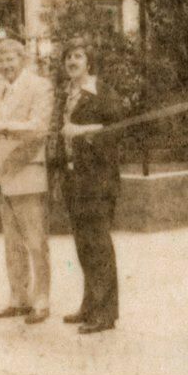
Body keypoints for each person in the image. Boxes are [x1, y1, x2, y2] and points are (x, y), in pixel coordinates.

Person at [48, 38, 124, 334]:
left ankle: (105, 313)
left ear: (88, 61)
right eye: (68, 57)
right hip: (73, 178)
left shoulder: (101, 91)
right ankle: (90, 304)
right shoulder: (67, 93)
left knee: (99, 245)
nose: (72, 61)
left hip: (98, 179)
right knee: (83, 245)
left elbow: (117, 129)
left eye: (78, 56)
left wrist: (81, 131)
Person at [0, 39, 54, 325]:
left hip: (28, 172)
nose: (6, 65)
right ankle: (18, 298)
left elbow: (39, 127)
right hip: (4, 174)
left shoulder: (39, 86)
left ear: (22, 59)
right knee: (12, 243)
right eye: (1, 60)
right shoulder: (0, 89)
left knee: (36, 242)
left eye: (10, 59)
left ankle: (41, 300)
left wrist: (0, 126)